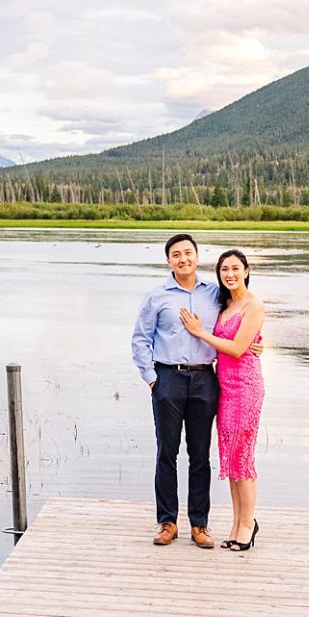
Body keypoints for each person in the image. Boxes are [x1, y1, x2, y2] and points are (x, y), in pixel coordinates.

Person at [130, 233, 220, 547]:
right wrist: (152, 379)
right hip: (167, 379)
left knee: (200, 455)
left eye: (188, 253)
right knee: (166, 453)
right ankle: (167, 522)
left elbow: (236, 323)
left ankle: (199, 525)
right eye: (176, 255)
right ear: (169, 261)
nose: (183, 259)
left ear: (197, 256)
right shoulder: (157, 296)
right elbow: (140, 339)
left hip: (205, 380)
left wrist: (256, 344)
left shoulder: (215, 294)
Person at [181, 248, 265, 550]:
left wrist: (200, 333)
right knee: (230, 458)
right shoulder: (226, 302)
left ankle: (248, 524)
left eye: (234, 269)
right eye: (224, 270)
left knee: (243, 457)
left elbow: (238, 348)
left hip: (246, 387)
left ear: (246, 270)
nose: (229, 274)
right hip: (224, 387)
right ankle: (236, 523)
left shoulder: (254, 304)